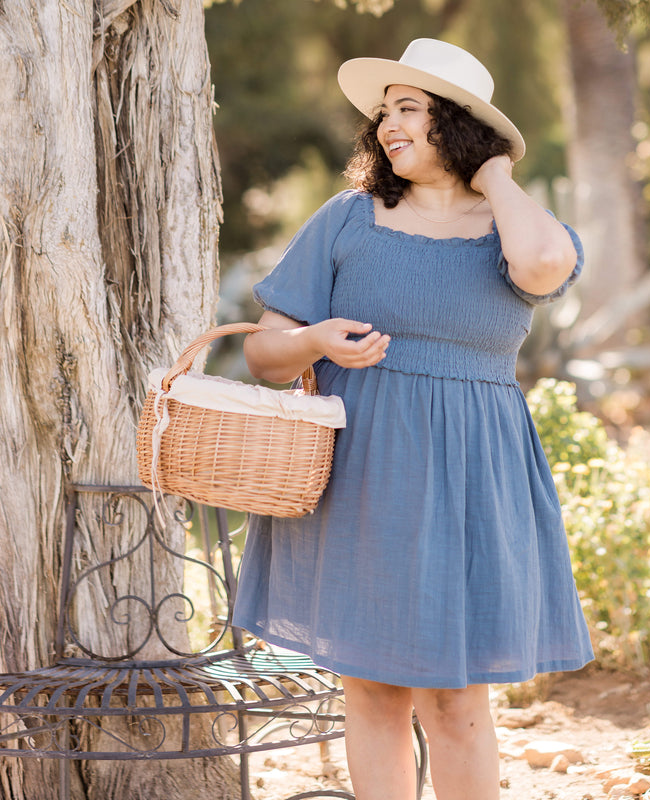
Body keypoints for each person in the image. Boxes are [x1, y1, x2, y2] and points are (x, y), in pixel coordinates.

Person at [232, 38, 594, 800]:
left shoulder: (513, 225)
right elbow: (264, 354)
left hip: (474, 474)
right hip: (362, 471)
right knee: (373, 689)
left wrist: (492, 169)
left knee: (458, 700)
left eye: (411, 110)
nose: (387, 126)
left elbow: (542, 269)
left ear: (459, 125)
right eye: (383, 113)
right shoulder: (347, 219)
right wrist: (312, 340)